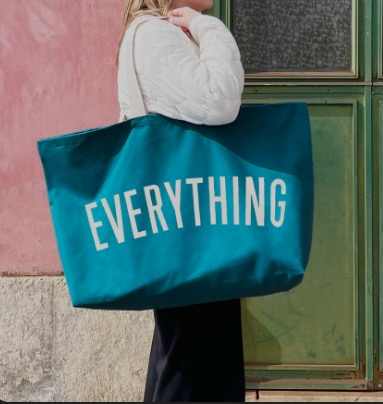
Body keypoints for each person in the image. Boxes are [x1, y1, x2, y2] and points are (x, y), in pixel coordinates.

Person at [116, 0, 245, 401]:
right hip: (189, 225)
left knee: (183, 355)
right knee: (194, 362)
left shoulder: (157, 32)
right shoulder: (155, 35)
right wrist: (208, 28)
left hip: (189, 221)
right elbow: (220, 100)